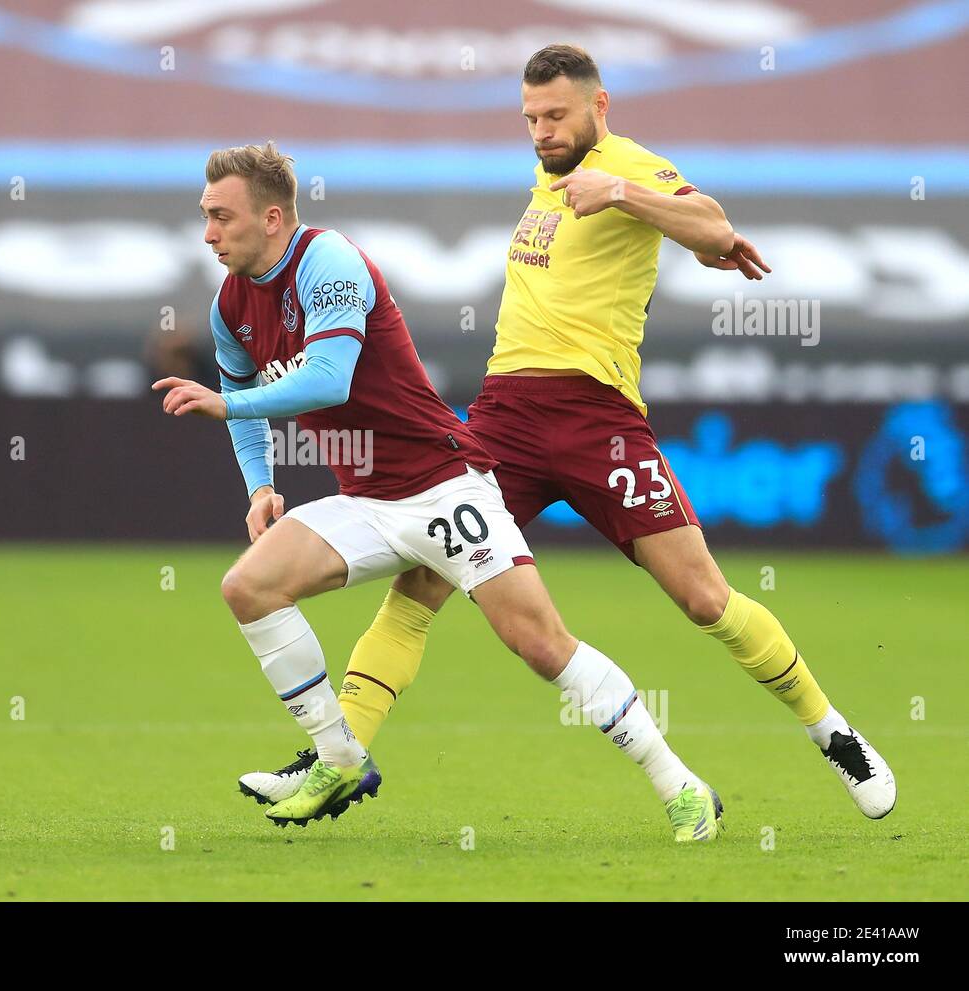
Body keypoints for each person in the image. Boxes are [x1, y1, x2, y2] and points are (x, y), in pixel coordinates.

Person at [240, 45, 895, 822]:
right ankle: (336, 759)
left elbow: (715, 229)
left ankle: (834, 733)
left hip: (599, 422)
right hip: (505, 421)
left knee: (703, 597)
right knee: (417, 587)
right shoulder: (545, 187)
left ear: (599, 106)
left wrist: (621, 191)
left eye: (556, 116)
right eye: (531, 119)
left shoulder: (628, 167)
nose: (543, 132)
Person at [154, 141, 723, 839]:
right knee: (248, 587)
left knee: (541, 644)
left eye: (221, 217)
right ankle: (339, 757)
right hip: (367, 499)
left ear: (272, 218)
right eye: (204, 217)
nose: (208, 233)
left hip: (443, 485)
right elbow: (242, 389)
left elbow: (327, 377)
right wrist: (260, 487)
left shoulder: (328, 261)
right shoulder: (231, 304)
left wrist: (226, 405)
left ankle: (683, 786)